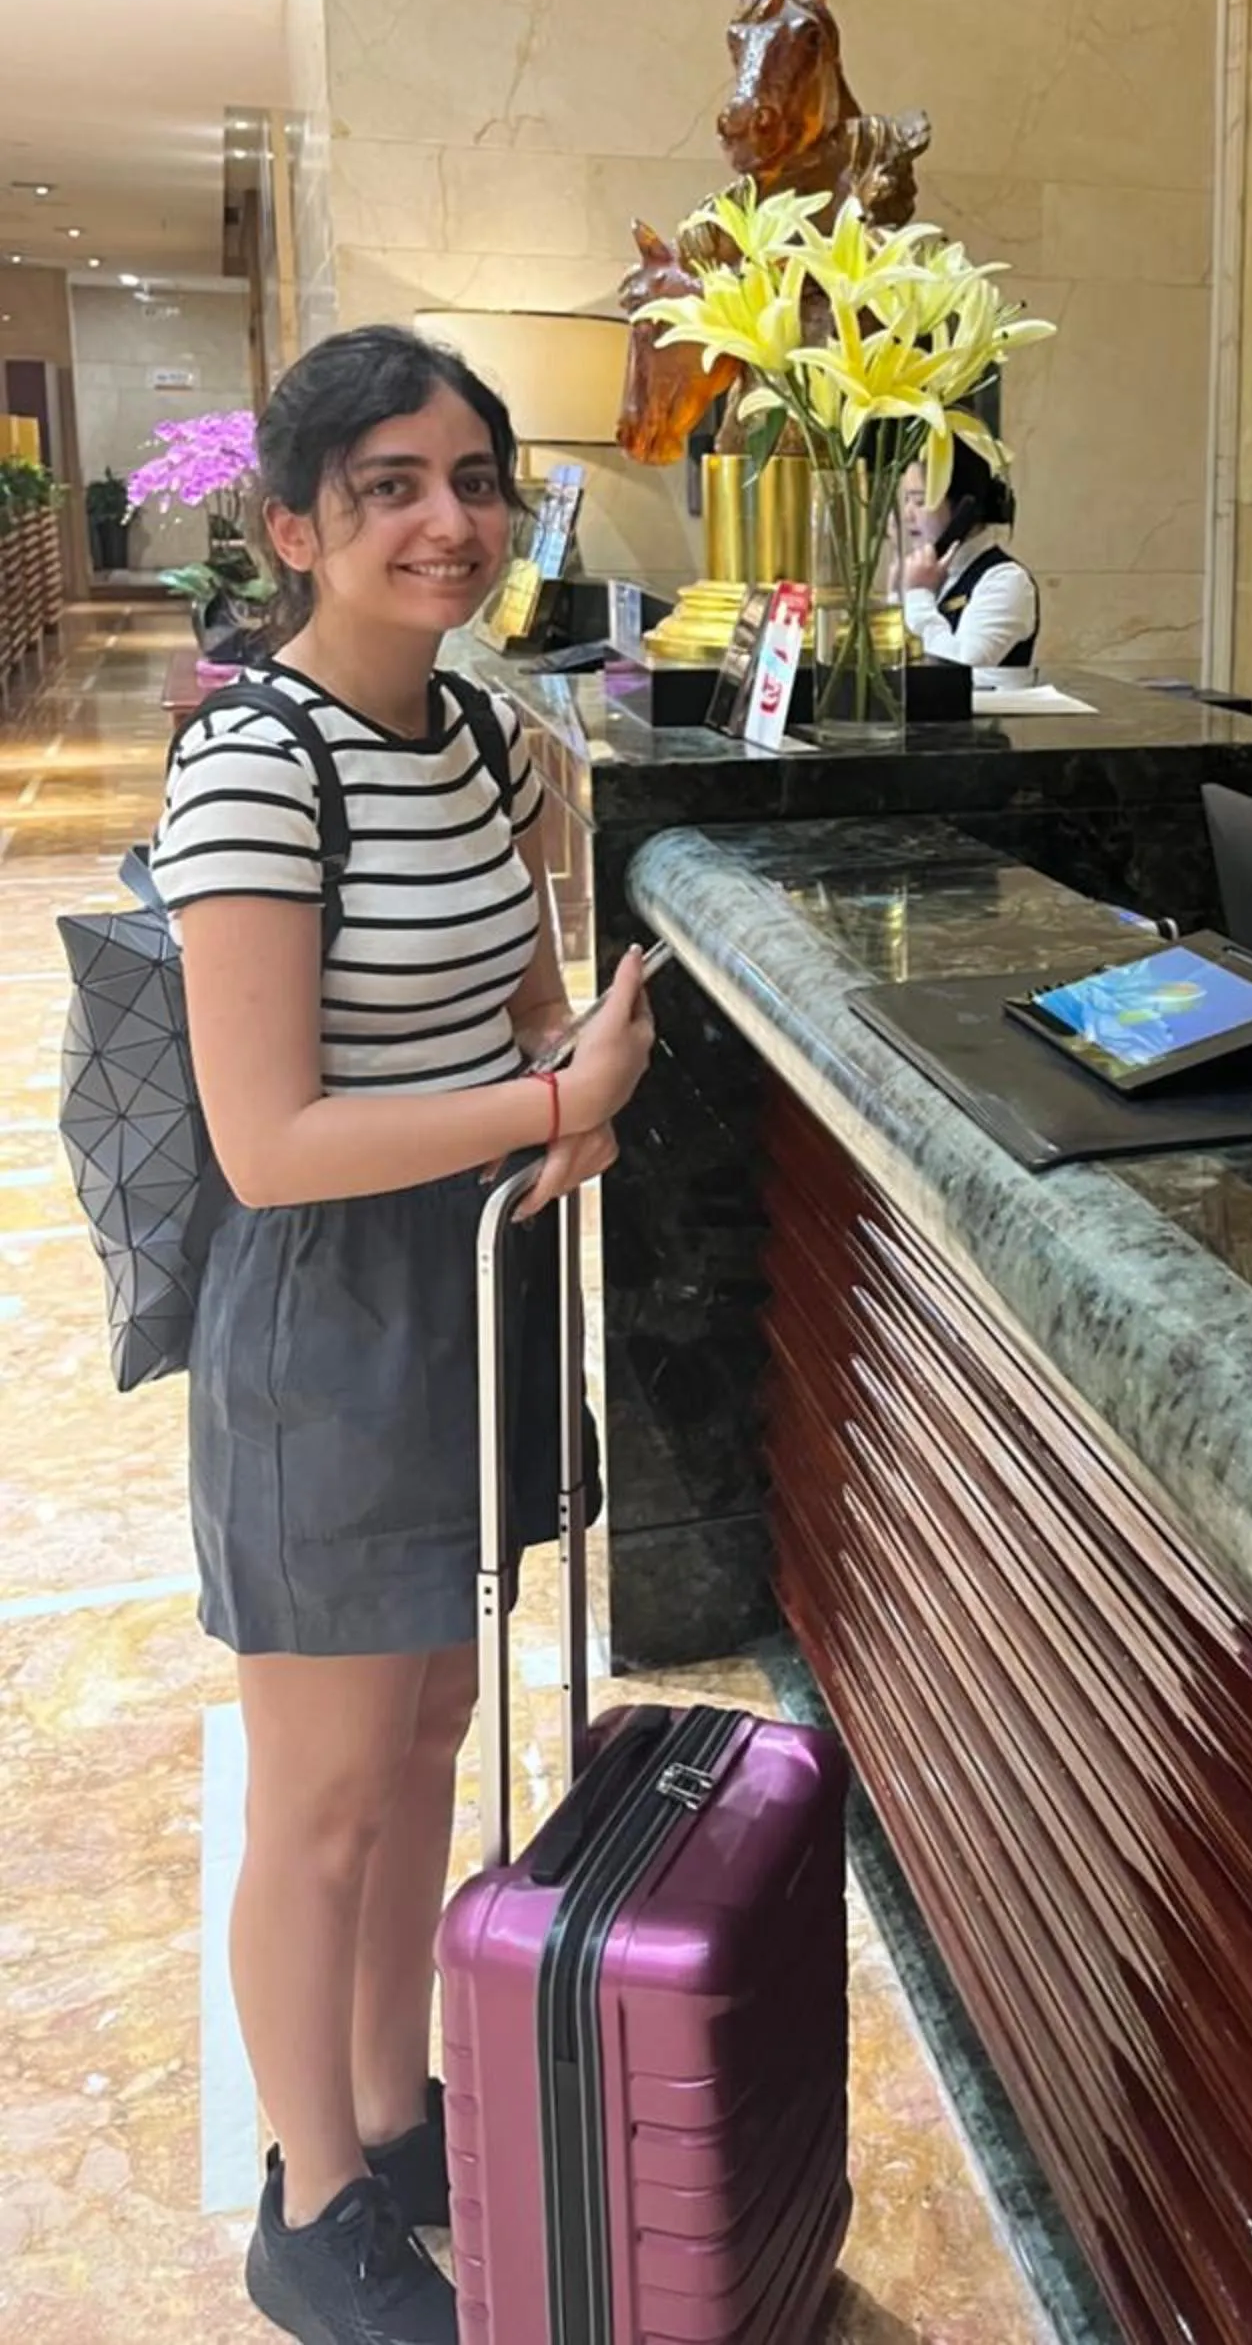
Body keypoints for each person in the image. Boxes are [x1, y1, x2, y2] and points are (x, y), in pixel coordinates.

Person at [148, 328, 656, 2345]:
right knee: (325, 1796)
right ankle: (307, 2205)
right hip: (327, 1329)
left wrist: (563, 1080)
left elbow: (519, 994)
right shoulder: (253, 767)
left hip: (468, 1283)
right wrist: (547, 1102)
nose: (450, 522)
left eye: (475, 480)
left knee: (431, 1730)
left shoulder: (474, 739)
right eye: (390, 487)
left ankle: (383, 2111)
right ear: (294, 528)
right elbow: (266, 1143)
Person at [897, 449, 1040, 669]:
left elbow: (962, 668)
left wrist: (919, 594)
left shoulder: (1005, 580)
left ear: (963, 509)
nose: (907, 514)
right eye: (906, 500)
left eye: (920, 501)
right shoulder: (933, 574)